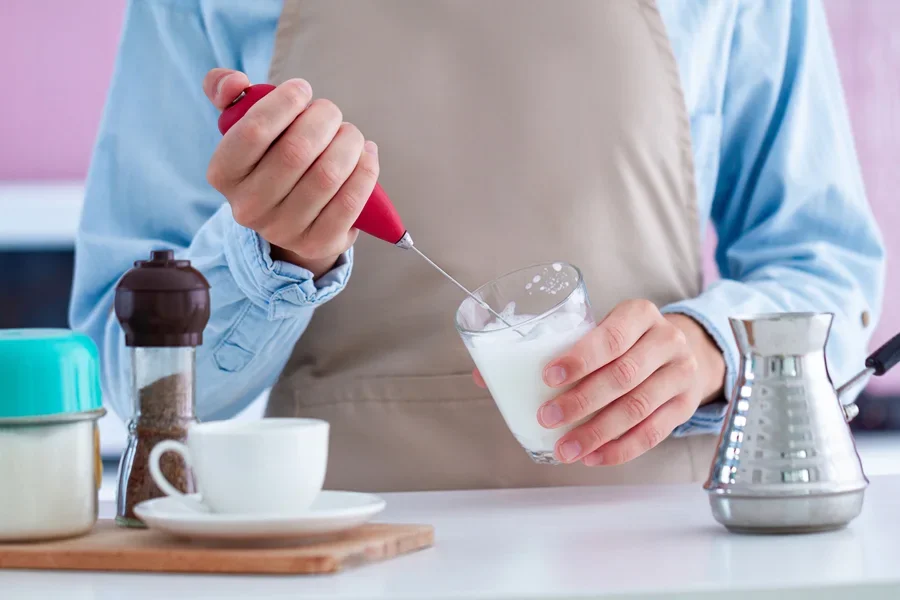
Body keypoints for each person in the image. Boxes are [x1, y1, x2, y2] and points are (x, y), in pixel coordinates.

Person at [71, 0, 884, 492]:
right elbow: (124, 374)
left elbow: (826, 267)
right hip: (337, 560)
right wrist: (272, 259)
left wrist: (708, 350)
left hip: (658, 556)